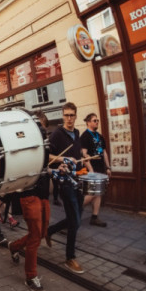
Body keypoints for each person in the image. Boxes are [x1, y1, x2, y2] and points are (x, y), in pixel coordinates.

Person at [8, 110, 54, 291]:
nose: (42, 132)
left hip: (43, 194)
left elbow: (44, 167)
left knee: (41, 233)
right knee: (35, 237)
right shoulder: (24, 144)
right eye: (39, 128)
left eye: (43, 128)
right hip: (29, 194)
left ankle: (14, 246)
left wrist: (53, 169)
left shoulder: (44, 144)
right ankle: (30, 276)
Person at [46, 102, 85, 274]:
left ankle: (49, 231)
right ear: (62, 116)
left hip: (78, 179)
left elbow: (77, 154)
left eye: (72, 115)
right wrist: (64, 160)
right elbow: (47, 157)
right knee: (75, 221)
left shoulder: (77, 133)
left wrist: (81, 160)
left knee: (74, 218)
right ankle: (70, 257)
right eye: (66, 115)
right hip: (64, 181)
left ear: (76, 116)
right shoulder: (57, 134)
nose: (69, 118)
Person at [80, 113, 110, 227]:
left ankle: (94, 217)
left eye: (97, 120)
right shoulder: (85, 136)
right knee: (92, 193)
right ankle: (76, 208)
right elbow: (84, 154)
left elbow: (104, 153)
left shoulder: (100, 136)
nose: (97, 122)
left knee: (98, 193)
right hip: (91, 170)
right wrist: (91, 169)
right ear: (88, 122)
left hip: (100, 168)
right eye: (94, 120)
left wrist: (108, 167)